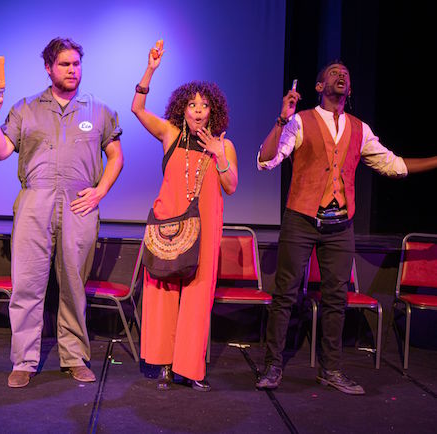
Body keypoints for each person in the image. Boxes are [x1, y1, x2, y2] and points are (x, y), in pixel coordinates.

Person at [256, 60, 437, 394]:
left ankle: (332, 370)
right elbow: (267, 160)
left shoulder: (360, 128)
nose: (340, 75)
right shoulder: (299, 121)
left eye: (346, 74)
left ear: (349, 89)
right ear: (320, 86)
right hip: (301, 219)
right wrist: (282, 119)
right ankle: (272, 366)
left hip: (341, 225)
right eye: (332, 73)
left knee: (336, 298)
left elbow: (392, 165)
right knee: (286, 295)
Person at [0, 37, 123, 388]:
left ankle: (73, 356)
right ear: (48, 68)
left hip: (78, 206)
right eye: (65, 64)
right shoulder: (25, 108)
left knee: (73, 285)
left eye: (76, 64)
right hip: (34, 204)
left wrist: (100, 191)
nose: (73, 70)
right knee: (26, 285)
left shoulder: (98, 110)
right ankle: (24, 360)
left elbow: (116, 156)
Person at [131, 44, 238, 391]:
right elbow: (137, 108)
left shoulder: (224, 144)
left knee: (196, 296)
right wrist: (150, 70)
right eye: (191, 105)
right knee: (161, 291)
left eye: (204, 105)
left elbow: (231, 185)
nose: (197, 111)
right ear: (183, 109)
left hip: (204, 231)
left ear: (213, 112)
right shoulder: (170, 135)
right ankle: (160, 365)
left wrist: (217, 154)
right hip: (168, 225)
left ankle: (189, 369)